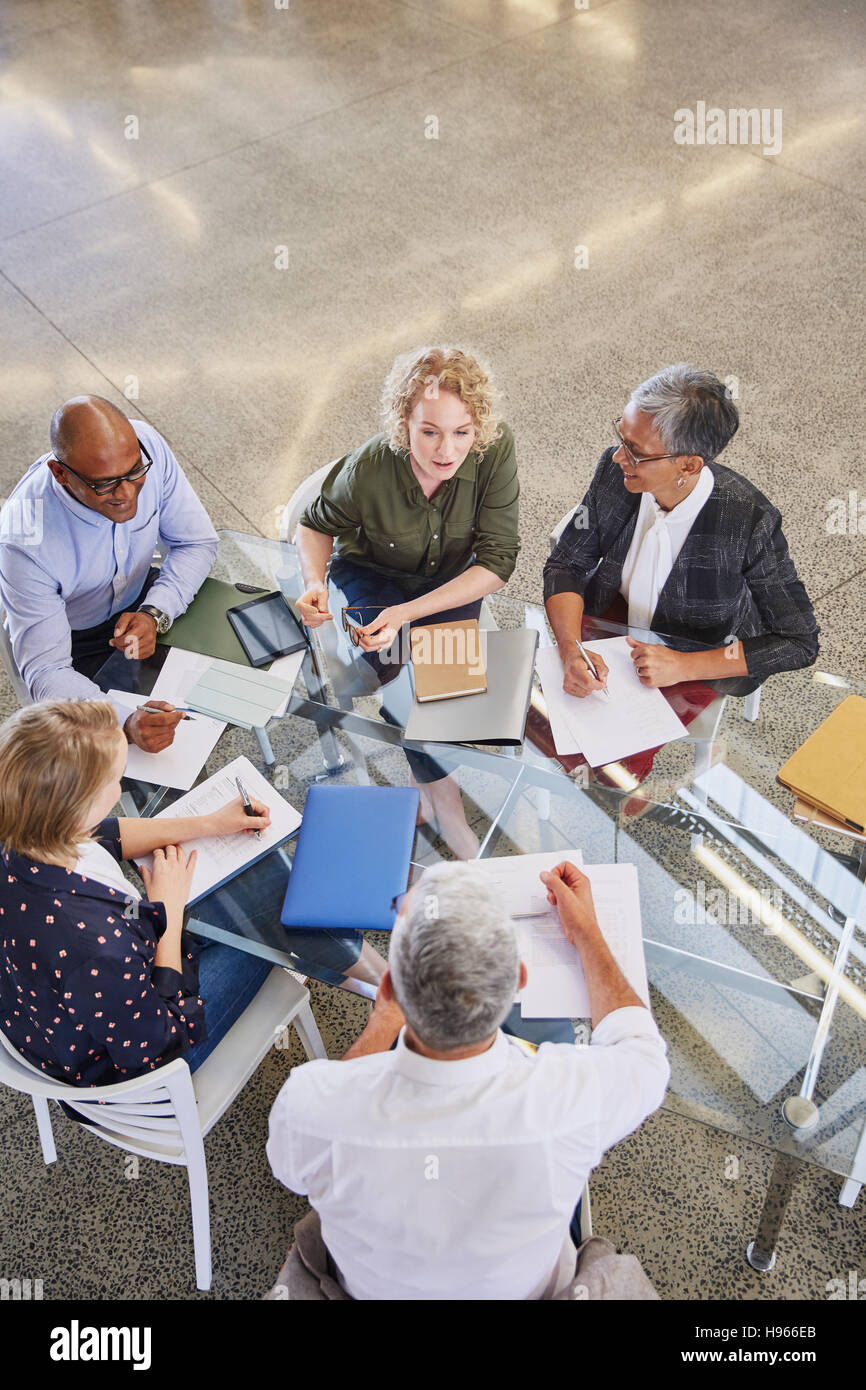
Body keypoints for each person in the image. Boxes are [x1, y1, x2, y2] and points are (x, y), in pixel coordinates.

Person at [267, 859, 669, 1301]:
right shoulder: (568, 1098)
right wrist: (587, 933)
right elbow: (643, 1054)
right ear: (518, 980)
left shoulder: (311, 1106)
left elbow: (291, 1173)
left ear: (387, 991)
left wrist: (384, 1020)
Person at [543, 364, 819, 789]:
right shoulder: (615, 474)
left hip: (699, 649)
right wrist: (568, 648)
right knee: (541, 725)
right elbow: (567, 565)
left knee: (609, 773)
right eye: (621, 437)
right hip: (614, 617)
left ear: (688, 464)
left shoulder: (749, 520)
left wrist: (683, 666)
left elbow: (798, 641)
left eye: (635, 451)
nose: (619, 457)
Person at [293, 346, 519, 859]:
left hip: (451, 581)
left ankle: (444, 805)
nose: (447, 450)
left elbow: (498, 562)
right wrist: (314, 582)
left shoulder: (496, 451)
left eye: (462, 432)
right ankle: (435, 790)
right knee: (394, 666)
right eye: (430, 431)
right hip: (375, 572)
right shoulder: (370, 467)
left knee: (443, 687)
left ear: (478, 428)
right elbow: (313, 525)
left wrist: (408, 616)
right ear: (403, 423)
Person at [0, 698, 279, 1084]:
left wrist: (210, 823)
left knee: (234, 905)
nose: (120, 787)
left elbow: (106, 835)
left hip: (59, 1014)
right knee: (268, 924)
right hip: (146, 1065)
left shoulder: (26, 829)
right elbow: (162, 1041)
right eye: (116, 780)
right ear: (77, 809)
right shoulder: (95, 947)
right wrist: (167, 911)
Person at [0, 396, 219, 754]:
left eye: (134, 473)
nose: (128, 494)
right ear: (60, 474)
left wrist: (154, 613)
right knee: (159, 760)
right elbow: (45, 672)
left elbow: (196, 543)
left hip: (144, 599)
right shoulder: (23, 541)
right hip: (74, 642)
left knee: (229, 691)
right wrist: (123, 721)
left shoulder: (145, 445)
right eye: (105, 484)